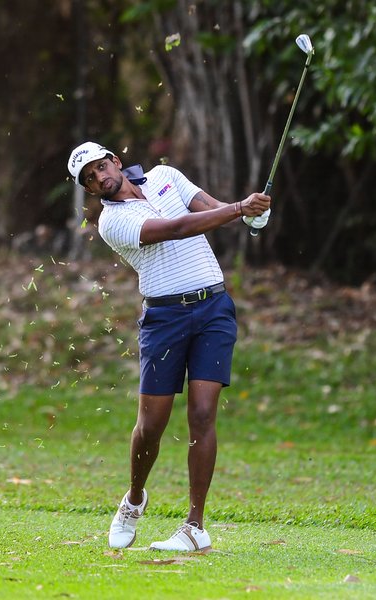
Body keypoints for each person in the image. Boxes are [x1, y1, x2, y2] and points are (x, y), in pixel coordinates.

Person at [67, 141, 271, 552]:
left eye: (101, 167)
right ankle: (134, 499)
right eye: (89, 178)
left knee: (202, 414)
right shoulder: (112, 222)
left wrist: (253, 216)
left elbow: (211, 207)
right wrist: (239, 208)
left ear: (115, 161)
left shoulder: (165, 177)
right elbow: (176, 229)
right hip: (165, 320)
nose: (99, 177)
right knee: (152, 426)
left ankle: (195, 527)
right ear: (89, 190)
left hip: (213, 308)